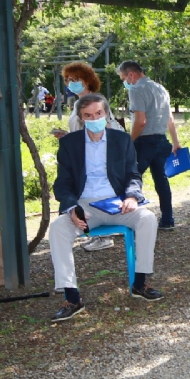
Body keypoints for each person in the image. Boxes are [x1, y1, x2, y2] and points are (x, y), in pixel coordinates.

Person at [48, 93, 163, 322]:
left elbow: (133, 174)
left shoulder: (121, 140)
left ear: (106, 113)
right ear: (81, 118)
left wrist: (132, 196)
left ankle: (140, 283)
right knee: (58, 229)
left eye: (99, 113)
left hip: (118, 203)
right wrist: (71, 209)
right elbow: (62, 184)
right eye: (88, 115)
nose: (95, 118)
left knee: (148, 219)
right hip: (85, 206)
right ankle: (72, 297)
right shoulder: (69, 144)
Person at [52, 62, 124, 251]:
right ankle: (97, 231)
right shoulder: (78, 103)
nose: (71, 83)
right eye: (68, 80)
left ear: (87, 80)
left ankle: (104, 235)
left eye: (76, 79)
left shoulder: (94, 100)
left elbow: (102, 128)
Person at [118, 61, 182, 231]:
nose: (125, 82)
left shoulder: (136, 89)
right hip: (162, 140)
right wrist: (176, 142)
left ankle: (124, 218)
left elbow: (140, 122)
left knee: (130, 178)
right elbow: (170, 118)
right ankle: (168, 219)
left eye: (123, 78)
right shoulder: (161, 89)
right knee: (161, 181)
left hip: (144, 141)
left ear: (131, 74)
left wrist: (129, 141)